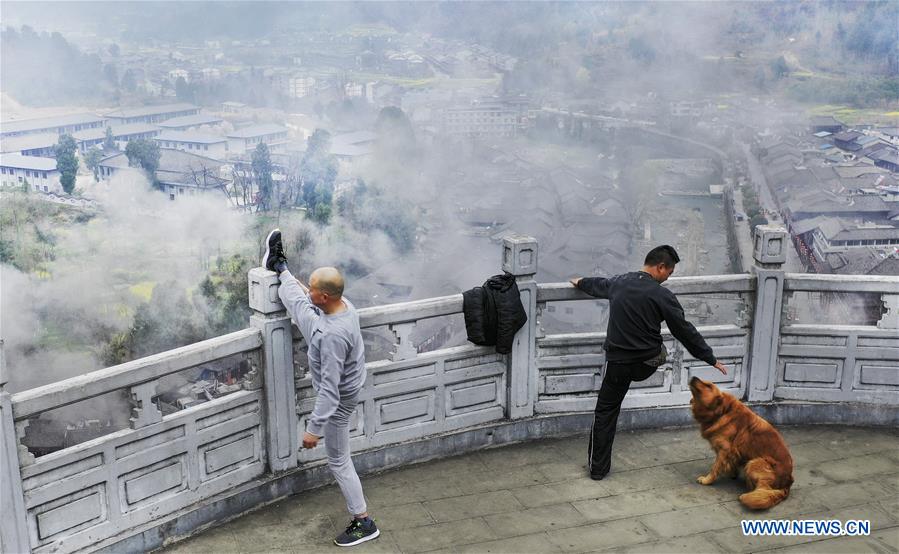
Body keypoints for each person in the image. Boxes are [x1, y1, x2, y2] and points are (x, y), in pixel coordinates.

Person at [570, 245, 728, 481]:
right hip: (647, 362)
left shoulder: (619, 283)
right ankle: (656, 353)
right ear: (660, 267)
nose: (668, 278)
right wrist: (709, 357)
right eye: (669, 273)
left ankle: (597, 469)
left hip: (618, 363)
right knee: (660, 346)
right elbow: (683, 330)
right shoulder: (662, 295)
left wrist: (579, 281)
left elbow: (596, 284)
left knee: (605, 412)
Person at [262, 229, 379, 547]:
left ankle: (363, 521)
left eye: (314, 290)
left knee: (339, 460)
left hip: (340, 397)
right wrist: (297, 283)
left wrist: (314, 429)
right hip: (353, 383)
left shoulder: (329, 335)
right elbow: (308, 298)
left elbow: (329, 389)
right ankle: (279, 266)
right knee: (301, 306)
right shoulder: (346, 306)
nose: (310, 291)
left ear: (325, 297)